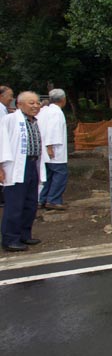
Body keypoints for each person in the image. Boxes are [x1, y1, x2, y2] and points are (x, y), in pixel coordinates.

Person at [0, 92, 46, 251]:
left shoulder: (35, 122)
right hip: (17, 166)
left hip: (33, 164)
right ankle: (10, 238)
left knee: (30, 203)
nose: (35, 106)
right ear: (19, 105)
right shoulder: (9, 120)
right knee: (15, 204)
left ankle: (24, 234)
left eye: (37, 103)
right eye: (31, 103)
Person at [38, 89, 69, 210]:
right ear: (63, 99)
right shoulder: (56, 113)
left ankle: (43, 199)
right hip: (54, 149)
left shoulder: (45, 110)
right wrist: (49, 147)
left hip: (45, 148)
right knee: (60, 174)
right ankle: (53, 199)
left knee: (49, 175)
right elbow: (53, 130)